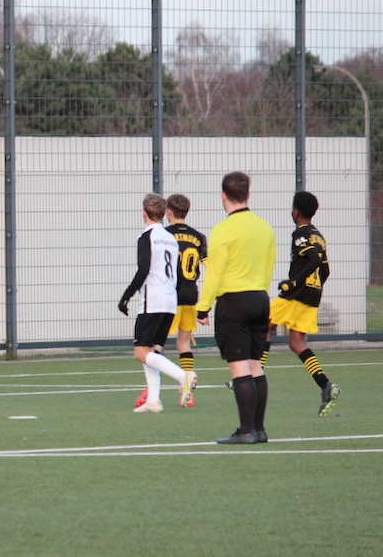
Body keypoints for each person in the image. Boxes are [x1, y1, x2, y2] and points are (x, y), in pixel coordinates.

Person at [196, 172, 276, 444]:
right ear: (248, 194)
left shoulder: (223, 230)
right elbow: (268, 267)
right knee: (256, 367)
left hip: (234, 303)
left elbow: (214, 273)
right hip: (260, 298)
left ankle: (246, 431)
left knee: (240, 369)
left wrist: (203, 307)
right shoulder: (265, 228)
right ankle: (259, 429)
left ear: (223, 196)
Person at [118, 193, 196, 414]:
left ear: (144, 213)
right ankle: (153, 399)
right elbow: (179, 274)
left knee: (140, 352)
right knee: (152, 350)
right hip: (170, 301)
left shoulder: (146, 236)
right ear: (163, 214)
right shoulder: (171, 238)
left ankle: (183, 376)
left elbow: (144, 268)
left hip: (152, 301)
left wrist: (126, 295)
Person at [265, 191, 340, 416]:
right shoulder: (319, 236)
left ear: (295, 212)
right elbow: (325, 269)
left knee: (263, 324)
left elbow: (314, 259)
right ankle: (325, 385)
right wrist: (314, 288)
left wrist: (294, 282)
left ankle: (251, 377)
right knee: (296, 341)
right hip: (313, 295)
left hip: (297, 294)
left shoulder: (300, 233)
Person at [136, 193, 208, 408]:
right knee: (183, 343)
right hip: (191, 294)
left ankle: (155, 390)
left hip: (169, 295)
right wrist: (205, 306)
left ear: (168, 212)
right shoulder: (199, 237)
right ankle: (186, 393)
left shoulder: (165, 235)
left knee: (152, 346)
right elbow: (209, 266)